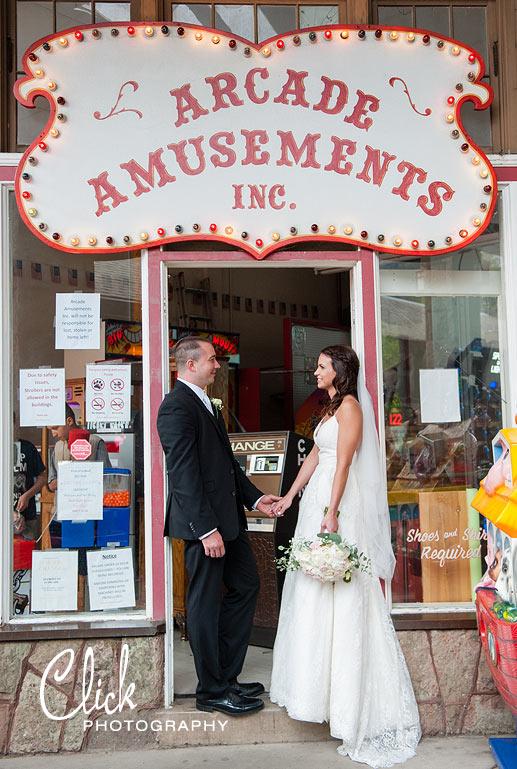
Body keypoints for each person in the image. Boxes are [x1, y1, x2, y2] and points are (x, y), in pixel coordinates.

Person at [269, 345, 421, 767]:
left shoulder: (351, 408)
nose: (314, 371)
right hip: (316, 500)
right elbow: (317, 455)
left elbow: (342, 465)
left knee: (343, 592)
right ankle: (311, 691)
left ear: (339, 370)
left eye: (321, 366)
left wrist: (332, 512)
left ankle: (348, 703)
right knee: (313, 590)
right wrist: (290, 497)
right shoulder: (329, 407)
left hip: (338, 504)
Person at [157, 336, 280, 717]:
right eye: (212, 359)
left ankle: (227, 676)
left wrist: (258, 499)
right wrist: (205, 529)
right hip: (206, 527)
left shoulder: (206, 403)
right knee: (204, 606)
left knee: (247, 585)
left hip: (231, 521)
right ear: (191, 365)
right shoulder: (175, 407)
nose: (217, 365)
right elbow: (184, 475)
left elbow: (226, 465)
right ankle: (211, 690)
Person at [47, 404, 111, 493]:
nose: (54, 434)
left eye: (55, 428)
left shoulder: (95, 442)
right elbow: (51, 484)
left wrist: (68, 478)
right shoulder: (57, 447)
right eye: (50, 429)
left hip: (89, 503)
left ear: (69, 421)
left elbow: (107, 478)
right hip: (63, 505)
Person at [13, 433, 46, 541]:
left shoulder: (27, 447)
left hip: (28, 515)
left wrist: (27, 496)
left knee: (26, 553)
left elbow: (42, 478)